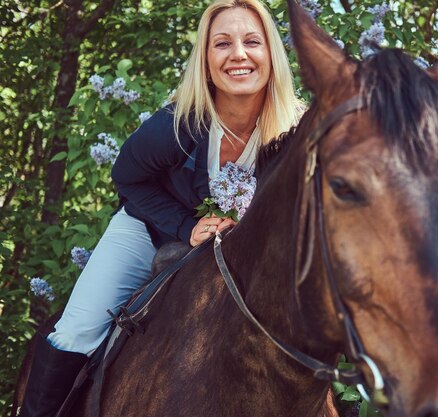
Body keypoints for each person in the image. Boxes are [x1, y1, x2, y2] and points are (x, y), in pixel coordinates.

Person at [20, 1, 301, 416]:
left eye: (252, 42)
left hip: (234, 250)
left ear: (271, 55)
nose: (238, 54)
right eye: (222, 43)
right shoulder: (176, 124)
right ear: (206, 62)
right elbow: (128, 177)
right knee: (77, 329)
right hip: (146, 230)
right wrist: (186, 226)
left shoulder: (294, 130)